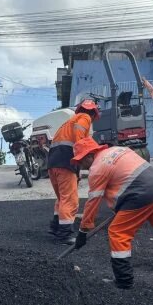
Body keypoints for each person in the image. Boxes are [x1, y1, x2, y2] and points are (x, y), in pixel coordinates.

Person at [72, 137, 153, 290]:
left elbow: (93, 202)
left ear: (89, 156)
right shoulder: (119, 150)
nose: (80, 165)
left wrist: (82, 232)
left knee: (118, 232)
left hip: (140, 194)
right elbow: (124, 178)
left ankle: (124, 280)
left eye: (80, 161)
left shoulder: (97, 168)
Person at [46, 99, 100, 242]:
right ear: (94, 113)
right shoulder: (85, 117)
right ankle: (65, 234)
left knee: (63, 198)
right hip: (65, 160)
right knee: (70, 199)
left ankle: (56, 227)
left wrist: (76, 170)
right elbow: (80, 139)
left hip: (53, 161)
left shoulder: (68, 122)